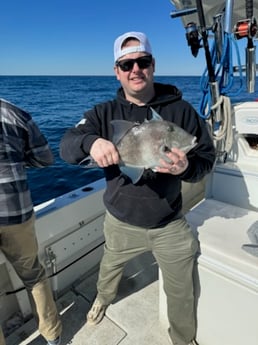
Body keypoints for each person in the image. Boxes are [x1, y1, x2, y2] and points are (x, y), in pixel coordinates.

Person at [59, 31, 216, 345]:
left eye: (142, 61)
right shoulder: (103, 114)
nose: (135, 69)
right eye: (126, 63)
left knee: (181, 291)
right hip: (120, 221)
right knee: (108, 270)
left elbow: (206, 158)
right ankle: (102, 299)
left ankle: (183, 339)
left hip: (169, 221)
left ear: (153, 65)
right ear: (117, 71)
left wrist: (186, 168)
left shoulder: (181, 111)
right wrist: (92, 141)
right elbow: (66, 146)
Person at [0, 99, 62, 345]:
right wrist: (15, 159)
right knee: (34, 276)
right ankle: (52, 334)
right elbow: (45, 159)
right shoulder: (15, 114)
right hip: (17, 213)